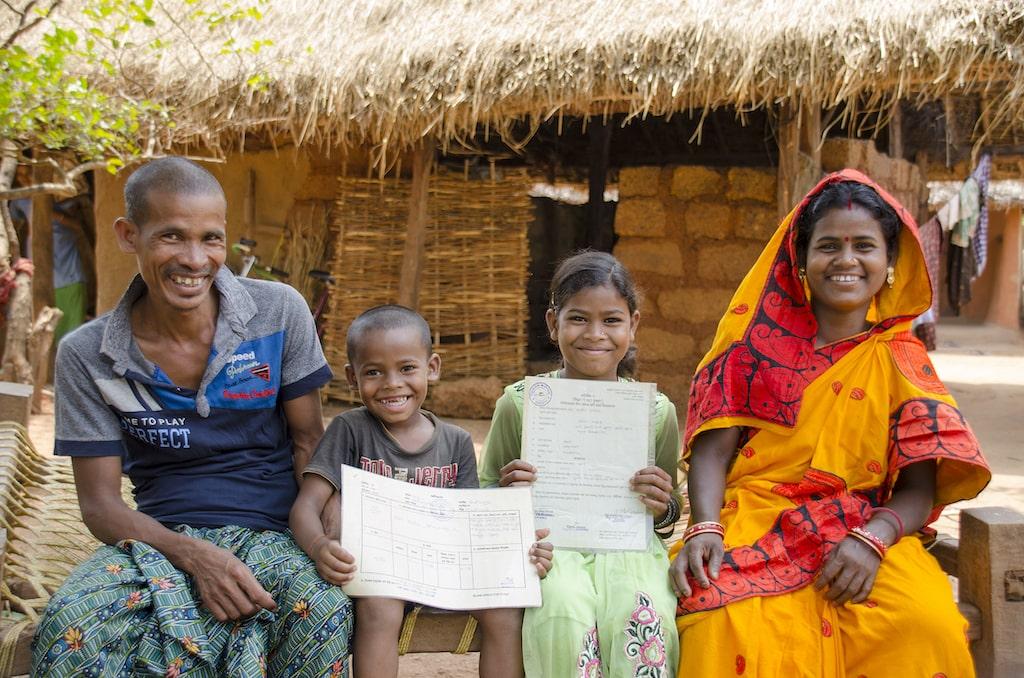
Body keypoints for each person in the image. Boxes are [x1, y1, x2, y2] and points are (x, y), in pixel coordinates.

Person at [32, 157, 353, 677]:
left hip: (274, 528)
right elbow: (99, 505)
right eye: (172, 237)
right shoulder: (88, 355)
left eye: (212, 238)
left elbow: (308, 445)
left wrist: (321, 536)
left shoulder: (278, 312)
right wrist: (195, 556)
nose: (195, 259)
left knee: (320, 612)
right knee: (73, 629)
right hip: (158, 535)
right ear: (128, 235)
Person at [669, 170, 991, 677]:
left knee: (924, 625)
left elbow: (919, 489)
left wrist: (873, 539)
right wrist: (703, 526)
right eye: (829, 246)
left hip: (865, 531)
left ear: (889, 261)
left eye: (864, 245)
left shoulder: (902, 360)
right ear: (801, 260)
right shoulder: (753, 349)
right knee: (720, 619)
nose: (846, 260)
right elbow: (711, 451)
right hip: (754, 517)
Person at [290, 304, 552, 678]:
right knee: (380, 607)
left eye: (407, 368)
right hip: (378, 570)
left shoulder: (457, 441)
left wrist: (519, 543)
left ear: (433, 367)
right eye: (374, 372)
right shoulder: (350, 430)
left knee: (506, 608)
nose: (392, 383)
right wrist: (319, 547)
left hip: (445, 569)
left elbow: (469, 526)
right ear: (352, 377)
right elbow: (305, 507)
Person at [479, 251, 682, 678]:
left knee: (643, 613)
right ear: (553, 324)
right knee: (562, 613)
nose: (595, 334)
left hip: (630, 551)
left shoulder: (656, 413)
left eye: (611, 320)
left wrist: (661, 502)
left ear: (634, 325)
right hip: (551, 550)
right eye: (577, 319)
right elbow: (484, 496)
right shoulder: (520, 404)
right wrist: (507, 497)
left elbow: (668, 514)